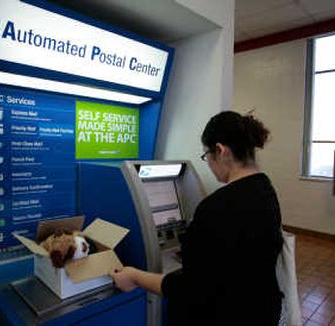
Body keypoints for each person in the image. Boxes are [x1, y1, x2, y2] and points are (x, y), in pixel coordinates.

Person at [110, 111, 284, 326]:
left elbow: (190, 288)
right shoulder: (265, 189)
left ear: (220, 151)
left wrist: (135, 276)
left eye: (207, 156)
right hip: (261, 311)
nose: (209, 164)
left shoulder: (216, 207)